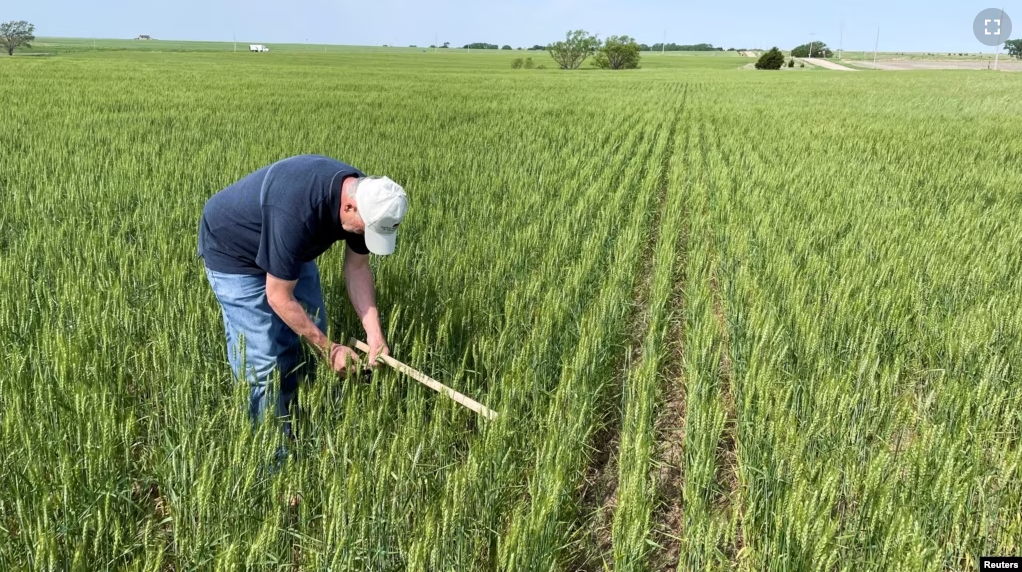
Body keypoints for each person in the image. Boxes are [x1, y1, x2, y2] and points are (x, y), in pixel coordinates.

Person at [197, 154, 408, 442]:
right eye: (365, 230)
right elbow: (278, 295)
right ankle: (272, 458)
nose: (364, 236)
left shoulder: (370, 201)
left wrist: (375, 335)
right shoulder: (299, 210)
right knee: (261, 361)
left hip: (289, 245)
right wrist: (330, 350)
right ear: (348, 207)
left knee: (313, 326)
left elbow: (357, 268)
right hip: (233, 250)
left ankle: (302, 413)